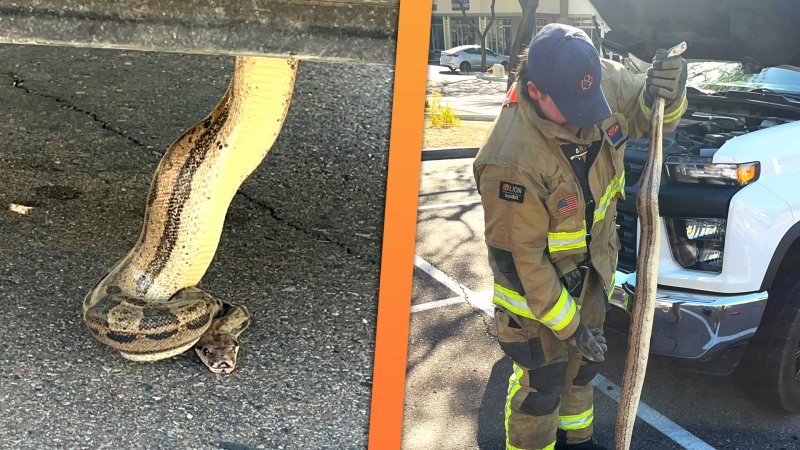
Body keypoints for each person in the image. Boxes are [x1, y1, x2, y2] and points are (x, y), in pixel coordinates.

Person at [473, 24, 687, 450]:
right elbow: (523, 266)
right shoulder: (510, 161)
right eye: (569, 106)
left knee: (583, 371)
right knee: (543, 387)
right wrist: (571, 328)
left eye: (588, 103)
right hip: (537, 303)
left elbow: (652, 113)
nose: (583, 117)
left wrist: (672, 92)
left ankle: (579, 440)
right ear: (534, 91)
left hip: (591, 275)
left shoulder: (595, 81)